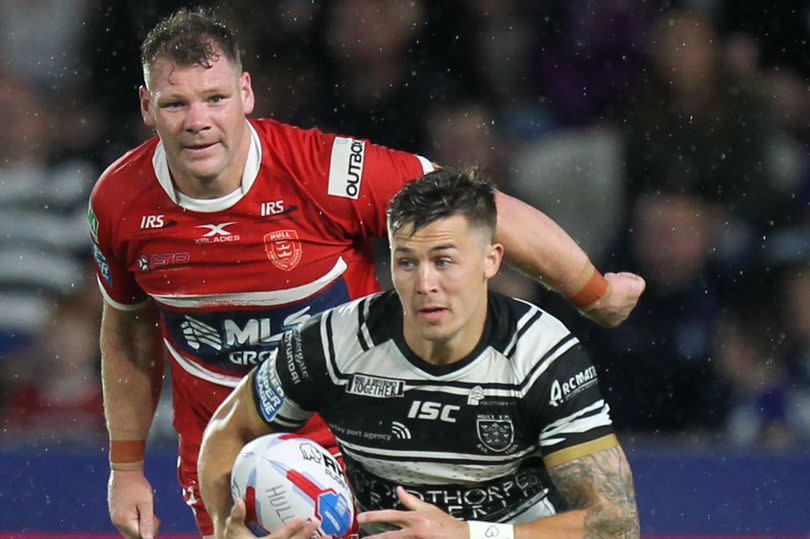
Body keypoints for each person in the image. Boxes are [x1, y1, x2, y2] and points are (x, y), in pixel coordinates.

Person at [88, 8, 645, 539]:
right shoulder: (118, 201)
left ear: (246, 94)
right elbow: (128, 331)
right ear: (145, 106)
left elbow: (477, 209)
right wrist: (127, 467)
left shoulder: (324, 171)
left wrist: (594, 292)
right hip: (228, 451)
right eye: (176, 104)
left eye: (214, 98)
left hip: (358, 448)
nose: (199, 122)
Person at [199, 168, 640, 539]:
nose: (424, 284)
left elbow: (616, 521)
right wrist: (225, 528)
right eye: (406, 262)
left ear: (492, 260)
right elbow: (227, 429)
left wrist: (466, 534)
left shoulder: (541, 354)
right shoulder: (337, 343)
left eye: (443, 261)